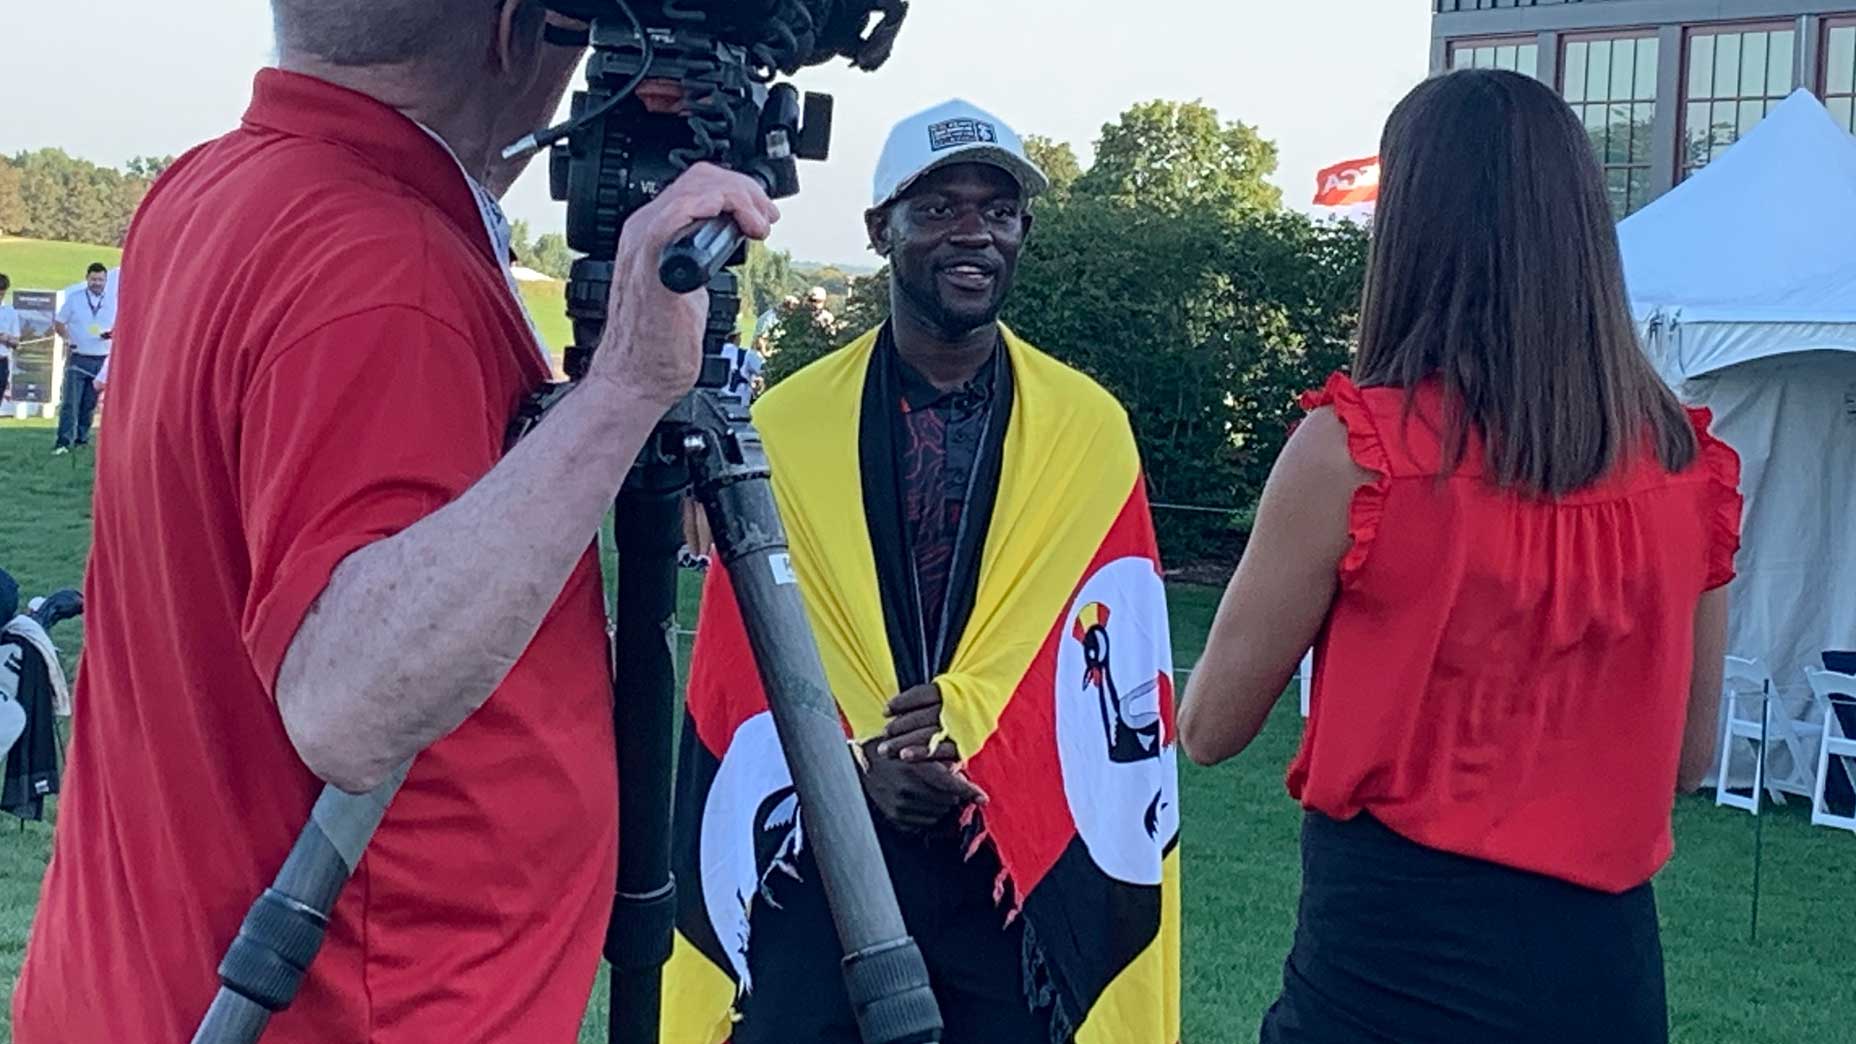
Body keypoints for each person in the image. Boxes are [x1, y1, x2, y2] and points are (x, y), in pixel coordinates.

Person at [10, 1, 780, 1041]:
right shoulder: (386, 264)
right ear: (515, 31)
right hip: (348, 1006)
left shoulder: (208, 186)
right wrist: (622, 392)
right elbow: (348, 701)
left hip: (146, 977)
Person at [1177, 69, 1742, 1044]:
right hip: (1602, 982)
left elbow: (1210, 725)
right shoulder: (1685, 464)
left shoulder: (1358, 455)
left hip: (1388, 976)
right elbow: (1688, 760)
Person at [663, 99, 1182, 1044]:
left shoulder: (1089, 430)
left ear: (1023, 229)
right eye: (937, 207)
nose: (973, 231)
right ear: (881, 230)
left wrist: (968, 733)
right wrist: (859, 764)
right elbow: (747, 670)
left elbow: (1109, 652)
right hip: (818, 847)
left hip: (1011, 857)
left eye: (999, 208)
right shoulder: (787, 427)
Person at [50, 262, 113, 451]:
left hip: (101, 358)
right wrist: (67, 339)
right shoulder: (74, 299)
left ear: (106, 281)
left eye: (100, 280)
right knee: (70, 402)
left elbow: (121, 326)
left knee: (89, 403)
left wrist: (111, 334)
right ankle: (63, 442)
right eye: (93, 279)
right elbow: (59, 323)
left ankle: (82, 439)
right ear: (87, 279)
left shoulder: (112, 302)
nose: (97, 283)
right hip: (78, 356)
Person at [0, 274, 19, 403]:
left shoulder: (10, 311)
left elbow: (16, 341)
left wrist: (8, 340)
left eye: (1, 294)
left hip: (2, 362)